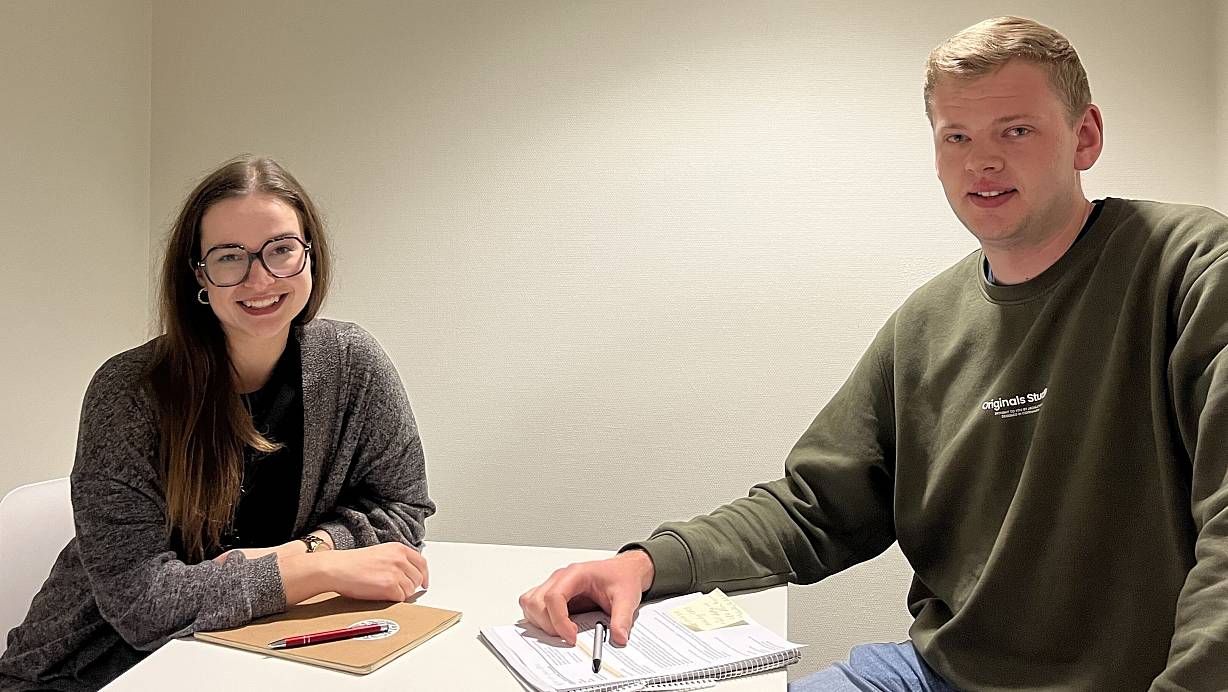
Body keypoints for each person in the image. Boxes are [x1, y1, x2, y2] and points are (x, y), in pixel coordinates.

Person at [519, 16, 1228, 691]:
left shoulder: (1191, 269)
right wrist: (646, 564)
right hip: (937, 674)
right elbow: (814, 508)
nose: (982, 161)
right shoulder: (925, 324)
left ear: (1085, 136)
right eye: (956, 137)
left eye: (1016, 130)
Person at [0, 156, 435, 691]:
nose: (261, 278)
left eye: (281, 249)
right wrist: (312, 570)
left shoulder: (352, 363)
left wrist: (306, 550)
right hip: (94, 670)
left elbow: (402, 507)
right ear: (198, 275)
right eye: (230, 257)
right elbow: (141, 604)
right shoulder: (129, 390)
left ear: (310, 255)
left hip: (261, 651)